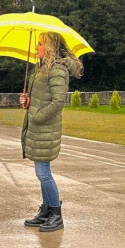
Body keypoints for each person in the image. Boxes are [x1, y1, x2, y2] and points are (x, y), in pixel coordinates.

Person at [18, 32, 83, 232]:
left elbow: (58, 102)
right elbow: (39, 98)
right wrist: (26, 101)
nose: (36, 47)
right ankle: (46, 210)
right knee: (42, 173)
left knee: (43, 173)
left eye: (39, 44)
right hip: (38, 129)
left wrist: (36, 116)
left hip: (45, 129)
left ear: (50, 48)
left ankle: (56, 215)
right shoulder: (41, 69)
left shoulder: (57, 70)